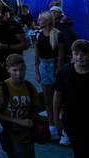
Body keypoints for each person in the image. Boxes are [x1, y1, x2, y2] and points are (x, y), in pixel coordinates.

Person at [53, 39, 89, 157]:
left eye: (84, 54)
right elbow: (57, 96)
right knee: (79, 150)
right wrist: (56, 119)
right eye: (76, 54)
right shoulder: (65, 72)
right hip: (72, 121)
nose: (80, 57)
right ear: (72, 54)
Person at [0, 54, 38, 158]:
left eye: (22, 70)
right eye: (14, 70)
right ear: (8, 70)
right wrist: (19, 122)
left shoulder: (30, 87)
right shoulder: (2, 88)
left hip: (28, 135)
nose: (19, 74)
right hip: (11, 136)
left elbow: (34, 110)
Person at [33, 10, 65, 140]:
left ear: (47, 21)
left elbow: (62, 56)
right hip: (43, 66)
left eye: (40, 20)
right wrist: (36, 71)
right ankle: (52, 127)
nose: (38, 21)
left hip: (54, 66)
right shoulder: (38, 34)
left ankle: (63, 131)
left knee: (60, 100)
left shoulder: (57, 35)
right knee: (47, 100)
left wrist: (59, 71)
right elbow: (36, 55)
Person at [0, 10, 28, 85]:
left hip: (13, 61)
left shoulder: (14, 24)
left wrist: (7, 46)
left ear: (1, 18)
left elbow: (24, 45)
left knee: (14, 83)